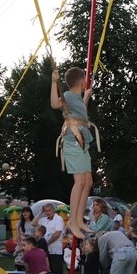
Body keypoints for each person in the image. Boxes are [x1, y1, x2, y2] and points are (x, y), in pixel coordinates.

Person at [50, 67, 94, 239]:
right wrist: (54, 82)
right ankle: (72, 222)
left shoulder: (76, 98)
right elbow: (55, 104)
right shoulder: (67, 96)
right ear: (82, 81)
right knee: (80, 181)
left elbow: (80, 111)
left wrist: (86, 97)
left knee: (88, 182)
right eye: (85, 80)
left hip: (82, 142)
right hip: (72, 142)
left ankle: (79, 219)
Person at [37, 203, 66, 274]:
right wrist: (40, 212)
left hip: (55, 250)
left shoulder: (58, 219)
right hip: (45, 251)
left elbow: (57, 234)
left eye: (49, 210)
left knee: (56, 272)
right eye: (46, 211)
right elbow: (33, 223)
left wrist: (46, 244)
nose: (47, 212)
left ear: (53, 210)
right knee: (46, 271)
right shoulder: (43, 220)